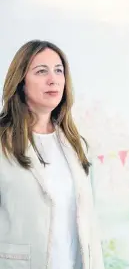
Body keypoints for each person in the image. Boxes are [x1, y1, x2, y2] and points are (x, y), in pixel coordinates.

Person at [0, 40, 105, 269]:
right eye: (41, 71)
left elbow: (89, 225)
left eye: (59, 70)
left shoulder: (77, 144)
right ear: (20, 81)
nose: (53, 79)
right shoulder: (2, 143)